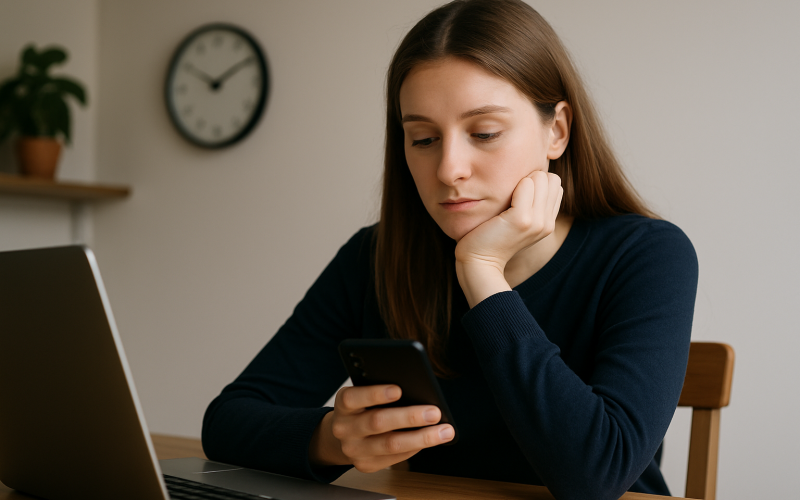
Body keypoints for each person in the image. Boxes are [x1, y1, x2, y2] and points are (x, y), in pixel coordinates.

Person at [202, 1, 698, 499]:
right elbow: (228, 422)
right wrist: (333, 439)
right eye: (422, 139)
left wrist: (482, 272)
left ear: (557, 130)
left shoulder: (646, 255)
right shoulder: (375, 258)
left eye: (484, 133)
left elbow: (598, 475)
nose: (448, 168)